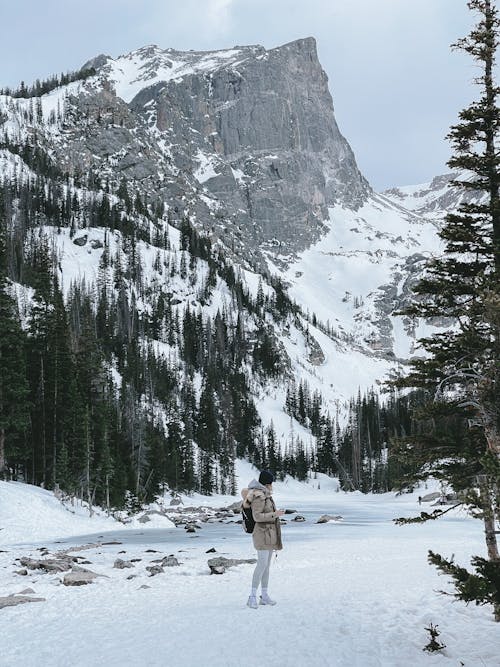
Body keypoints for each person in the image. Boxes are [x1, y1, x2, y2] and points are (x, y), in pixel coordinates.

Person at [241, 469, 284, 609]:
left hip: (269, 534)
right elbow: (257, 517)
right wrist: (275, 514)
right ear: (267, 483)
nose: (272, 485)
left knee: (266, 566)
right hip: (261, 534)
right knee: (261, 564)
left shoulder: (266, 495)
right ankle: (252, 596)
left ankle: (264, 596)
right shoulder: (259, 496)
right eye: (271, 482)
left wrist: (275, 514)